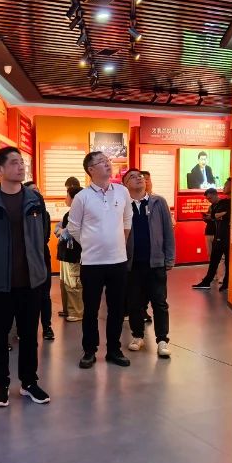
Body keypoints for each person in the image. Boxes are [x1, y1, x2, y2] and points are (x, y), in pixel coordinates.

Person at [0, 147, 52, 406]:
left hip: (31, 282)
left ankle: (29, 382)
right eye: (15, 163)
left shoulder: (34, 200)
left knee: (29, 336)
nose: (21, 167)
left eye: (22, 162)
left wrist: (36, 263)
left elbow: (43, 234)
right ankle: (1, 384)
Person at [66, 149, 133, 368]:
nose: (107, 163)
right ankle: (89, 350)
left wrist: (119, 243)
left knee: (116, 309)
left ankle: (114, 349)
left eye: (107, 160)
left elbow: (127, 220)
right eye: (101, 161)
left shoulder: (122, 191)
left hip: (118, 261)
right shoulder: (82, 197)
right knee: (91, 309)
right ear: (91, 169)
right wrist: (90, 243)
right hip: (92, 263)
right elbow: (73, 228)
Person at [123, 168, 176, 358]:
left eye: (140, 176)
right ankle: (138, 336)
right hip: (132, 264)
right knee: (135, 303)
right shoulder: (123, 205)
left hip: (156, 263)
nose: (139, 178)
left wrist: (169, 258)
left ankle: (162, 340)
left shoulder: (158, 202)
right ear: (125, 185)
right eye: (132, 177)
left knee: (159, 302)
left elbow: (168, 231)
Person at [23, 178, 55, 341]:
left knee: (44, 294)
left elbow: (45, 235)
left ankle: (47, 326)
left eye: (37, 189)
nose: (36, 193)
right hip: (25, 258)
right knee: (26, 295)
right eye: (32, 190)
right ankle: (25, 328)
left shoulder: (44, 213)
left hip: (42, 256)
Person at [194, 181, 231, 291]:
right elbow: (217, 216)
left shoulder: (227, 202)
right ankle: (207, 281)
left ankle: (225, 282)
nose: (224, 187)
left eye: (226, 185)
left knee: (226, 261)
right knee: (214, 260)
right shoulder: (216, 205)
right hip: (218, 235)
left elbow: (225, 214)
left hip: (226, 236)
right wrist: (212, 217)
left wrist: (214, 216)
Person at [56, 185, 84, 322]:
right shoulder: (70, 212)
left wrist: (60, 231)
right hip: (67, 254)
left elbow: (67, 232)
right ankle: (68, 309)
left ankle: (76, 312)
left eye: (67, 196)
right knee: (66, 282)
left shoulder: (78, 213)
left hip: (74, 254)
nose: (65, 199)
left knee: (74, 283)